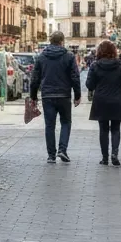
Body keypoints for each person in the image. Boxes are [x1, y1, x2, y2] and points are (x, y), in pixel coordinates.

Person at [29, 30, 81, 164]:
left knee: (49, 126)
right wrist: (77, 95)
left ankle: (51, 155)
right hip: (64, 95)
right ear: (62, 41)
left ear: (50, 41)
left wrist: (33, 96)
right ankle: (62, 150)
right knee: (66, 122)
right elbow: (75, 77)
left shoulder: (41, 57)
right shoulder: (69, 56)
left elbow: (34, 79)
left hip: (47, 96)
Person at [87, 40, 121, 166]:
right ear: (114, 51)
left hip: (101, 101)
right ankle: (114, 153)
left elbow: (89, 85)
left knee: (103, 129)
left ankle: (105, 158)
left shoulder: (95, 65)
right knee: (115, 128)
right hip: (117, 100)